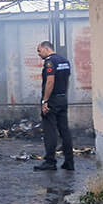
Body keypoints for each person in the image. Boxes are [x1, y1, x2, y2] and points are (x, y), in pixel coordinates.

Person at [34, 40, 74, 171]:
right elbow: (67, 81)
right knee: (64, 130)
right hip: (62, 98)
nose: (38, 54)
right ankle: (69, 162)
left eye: (39, 50)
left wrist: (45, 101)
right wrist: (64, 95)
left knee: (50, 131)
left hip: (52, 100)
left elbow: (50, 81)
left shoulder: (50, 62)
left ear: (46, 48)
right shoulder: (65, 61)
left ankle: (50, 162)